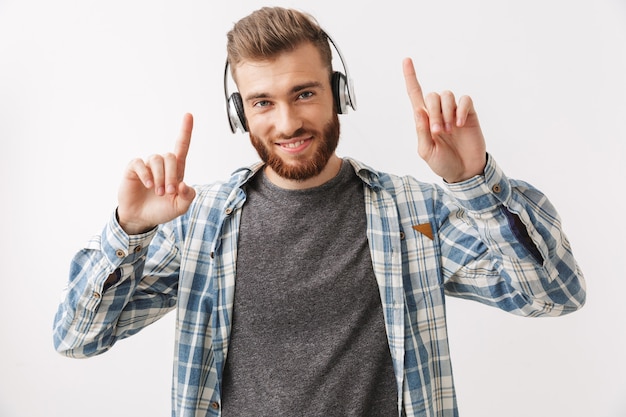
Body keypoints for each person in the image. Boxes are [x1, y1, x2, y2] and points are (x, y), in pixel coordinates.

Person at [53, 6, 586, 417]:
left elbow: (554, 296)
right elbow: (77, 339)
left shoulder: (412, 215)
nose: (286, 123)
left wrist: (472, 182)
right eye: (262, 102)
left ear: (338, 93)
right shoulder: (198, 223)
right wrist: (129, 233)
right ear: (240, 112)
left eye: (304, 93)